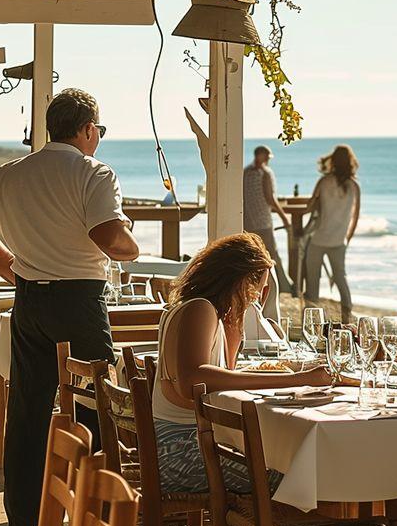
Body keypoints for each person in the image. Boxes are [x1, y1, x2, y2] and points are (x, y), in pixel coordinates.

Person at [0, 87, 141, 526]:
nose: (98, 136)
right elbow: (108, 237)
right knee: (97, 407)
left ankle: (22, 520)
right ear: (85, 129)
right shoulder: (94, 173)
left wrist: (11, 269)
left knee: (27, 410)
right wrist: (132, 245)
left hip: (30, 302)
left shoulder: (11, 172)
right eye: (97, 128)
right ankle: (96, 519)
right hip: (80, 301)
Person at [153, 234, 333, 493]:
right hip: (180, 452)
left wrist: (234, 323)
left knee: (300, 470)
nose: (261, 296)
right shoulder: (199, 310)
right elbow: (193, 379)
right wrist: (298, 379)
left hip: (191, 444)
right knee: (301, 480)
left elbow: (223, 374)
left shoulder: (202, 311)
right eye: (261, 286)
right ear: (240, 280)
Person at [303, 144, 360, 322]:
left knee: (312, 281)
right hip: (338, 241)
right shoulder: (354, 186)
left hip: (319, 239)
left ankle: (311, 323)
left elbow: (309, 207)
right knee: (341, 279)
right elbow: (355, 218)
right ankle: (346, 319)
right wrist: (347, 239)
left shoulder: (324, 181)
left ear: (333, 161)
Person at [242, 145, 292, 321]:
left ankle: (255, 286)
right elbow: (270, 198)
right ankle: (282, 287)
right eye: (267, 156)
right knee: (271, 256)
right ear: (261, 156)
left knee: (253, 258)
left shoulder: (245, 172)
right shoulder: (265, 173)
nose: (269, 159)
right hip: (263, 221)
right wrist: (284, 217)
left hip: (248, 222)